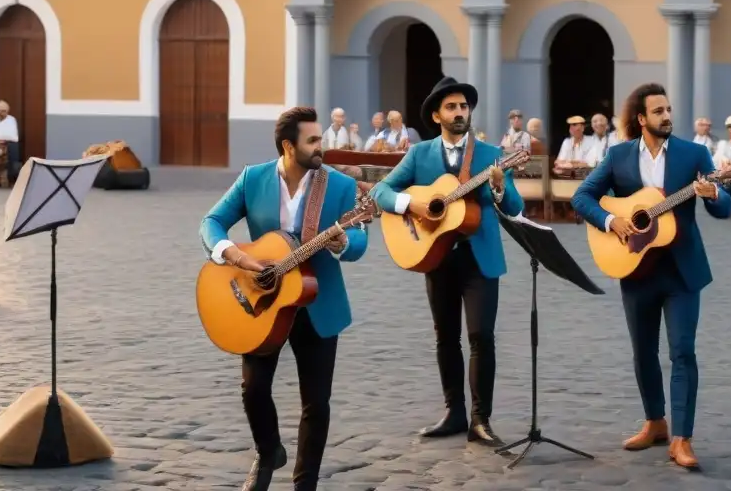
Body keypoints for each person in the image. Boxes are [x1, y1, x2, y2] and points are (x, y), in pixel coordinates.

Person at [199, 107, 369, 491]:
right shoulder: (253, 178)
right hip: (261, 303)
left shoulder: (338, 185)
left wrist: (345, 241)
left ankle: (304, 484)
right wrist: (240, 258)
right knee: (253, 389)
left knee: (316, 403)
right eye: (312, 141)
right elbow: (210, 223)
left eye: (321, 138)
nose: (320, 146)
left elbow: (360, 241)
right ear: (288, 146)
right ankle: (269, 450)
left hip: (316, 301)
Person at [571, 83, 731, 470]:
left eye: (669, 109)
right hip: (635, 266)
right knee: (643, 351)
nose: (667, 117)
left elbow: (725, 207)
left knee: (682, 351)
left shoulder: (694, 153)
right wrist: (613, 221)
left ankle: (682, 439)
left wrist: (714, 193)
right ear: (641, 118)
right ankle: (655, 423)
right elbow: (582, 197)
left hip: (682, 271)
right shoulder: (618, 156)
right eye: (658, 111)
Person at [371, 76, 524, 449]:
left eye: (464, 106)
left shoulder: (491, 155)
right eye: (452, 107)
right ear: (437, 115)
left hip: (480, 259)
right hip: (436, 256)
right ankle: (454, 412)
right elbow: (381, 191)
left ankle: (480, 420)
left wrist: (500, 187)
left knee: (481, 337)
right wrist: (415, 204)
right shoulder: (420, 154)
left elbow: (515, 208)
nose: (460, 112)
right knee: (445, 338)